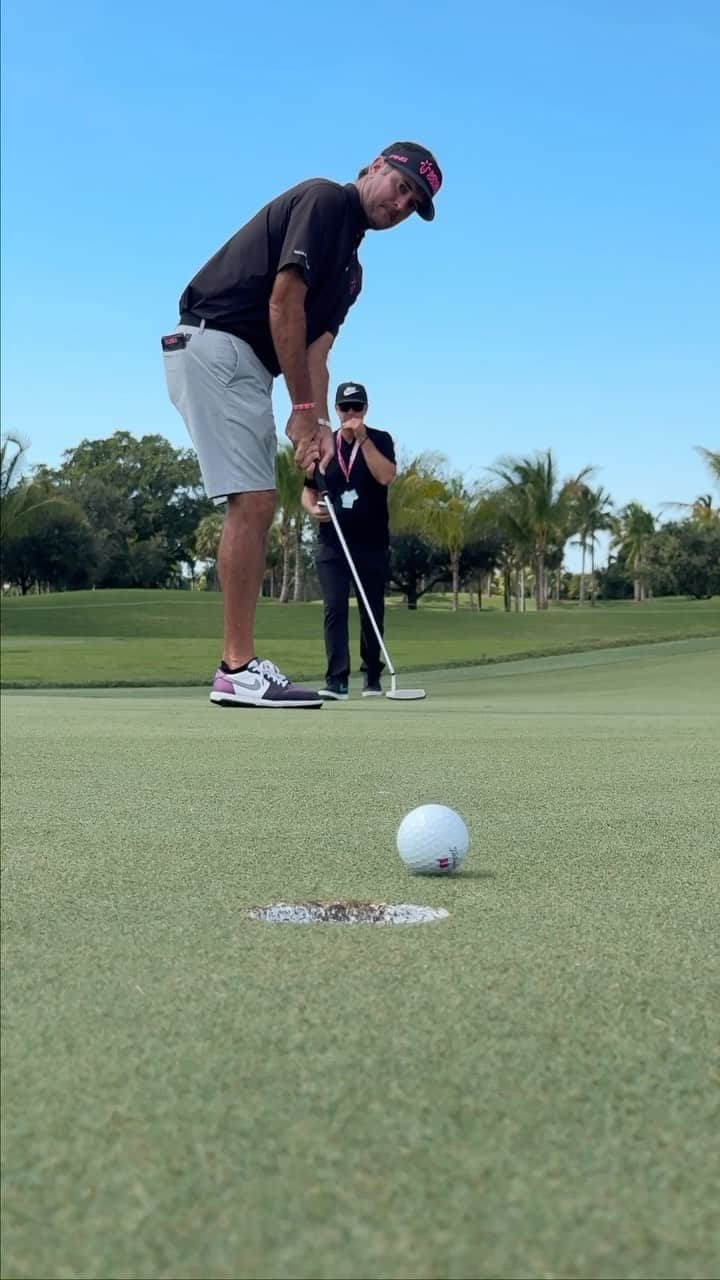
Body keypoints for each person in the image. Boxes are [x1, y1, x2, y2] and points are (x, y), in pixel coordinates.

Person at [161, 142, 442, 708]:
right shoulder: (324, 201)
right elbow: (282, 304)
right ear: (373, 168)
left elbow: (316, 352)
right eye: (401, 184)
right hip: (218, 342)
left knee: (255, 501)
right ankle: (236, 668)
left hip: (248, 363)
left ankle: (237, 667)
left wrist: (311, 431)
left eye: (414, 201)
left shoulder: (352, 272)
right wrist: (305, 411)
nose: (402, 202)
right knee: (254, 502)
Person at [303, 382, 396, 700]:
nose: (351, 414)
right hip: (332, 543)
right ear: (336, 409)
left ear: (365, 409)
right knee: (334, 608)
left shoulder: (380, 439)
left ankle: (372, 676)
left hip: (371, 542)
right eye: (345, 408)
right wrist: (313, 509)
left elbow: (386, 476)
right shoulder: (324, 444)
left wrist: (363, 439)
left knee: (372, 610)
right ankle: (336, 680)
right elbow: (308, 490)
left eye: (357, 407)